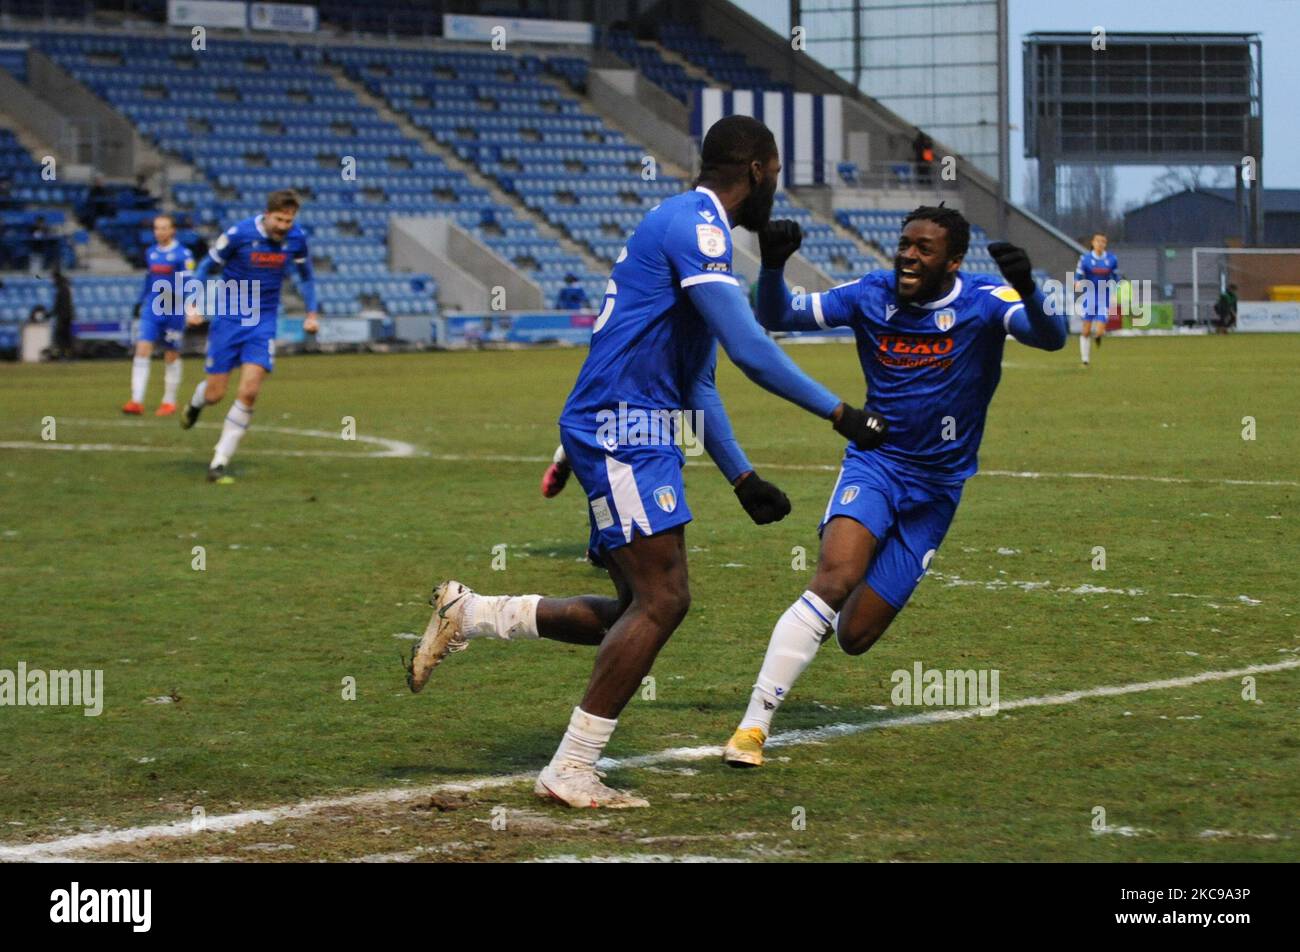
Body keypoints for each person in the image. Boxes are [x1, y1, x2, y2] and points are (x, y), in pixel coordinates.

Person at [406, 115, 887, 808]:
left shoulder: (691, 228)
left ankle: (474, 613)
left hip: (635, 425)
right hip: (622, 425)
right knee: (664, 600)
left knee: (633, 608)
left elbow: (698, 382)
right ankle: (569, 768)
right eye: (775, 174)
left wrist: (741, 476)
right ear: (758, 170)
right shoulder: (698, 226)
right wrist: (842, 415)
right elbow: (751, 350)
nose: (774, 188)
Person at [721, 206, 1067, 767]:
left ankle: (834, 606)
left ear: (953, 261)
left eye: (923, 249)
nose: (907, 254)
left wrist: (1026, 285)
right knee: (835, 577)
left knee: (856, 635)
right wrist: (774, 264)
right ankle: (752, 728)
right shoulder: (868, 294)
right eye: (904, 243)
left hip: (937, 491)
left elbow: (1051, 337)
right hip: (875, 464)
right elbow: (777, 314)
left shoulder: (983, 302)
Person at [180, 189, 318, 483]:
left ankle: (219, 462)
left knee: (250, 391)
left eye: (289, 220)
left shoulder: (297, 239)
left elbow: (306, 278)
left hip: (263, 321)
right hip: (228, 319)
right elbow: (206, 266)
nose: (284, 226)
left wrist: (312, 313)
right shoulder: (238, 234)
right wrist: (192, 303)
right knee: (216, 394)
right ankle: (195, 404)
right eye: (279, 219)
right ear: (267, 214)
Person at [122, 214, 194, 416]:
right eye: (156, 228)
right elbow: (149, 278)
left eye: (164, 228)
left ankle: (169, 401)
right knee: (142, 349)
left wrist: (190, 306)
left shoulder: (183, 255)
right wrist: (140, 300)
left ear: (172, 231)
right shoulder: (151, 252)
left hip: (174, 310)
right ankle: (136, 400)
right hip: (152, 308)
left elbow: (188, 283)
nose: (159, 232)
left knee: (171, 354)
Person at [1074, 232, 1120, 366]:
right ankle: (1085, 359)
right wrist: (1077, 281)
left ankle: (1098, 337)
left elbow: (1116, 276)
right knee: (1086, 329)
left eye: (1103, 242)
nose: (1100, 244)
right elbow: (1079, 274)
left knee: (1100, 330)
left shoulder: (1111, 259)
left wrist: (1118, 286)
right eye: (1098, 241)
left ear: (1105, 244)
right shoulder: (1085, 259)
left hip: (1103, 296)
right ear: (1093, 243)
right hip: (1090, 295)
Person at [51, 266, 75, 360]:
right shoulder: (65, 287)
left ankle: (63, 355)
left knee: (61, 337)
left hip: (63, 317)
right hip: (67, 316)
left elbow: (58, 306)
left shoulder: (62, 289)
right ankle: (69, 355)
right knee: (66, 337)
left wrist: (50, 314)